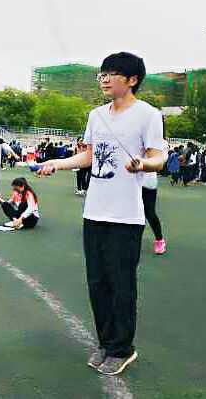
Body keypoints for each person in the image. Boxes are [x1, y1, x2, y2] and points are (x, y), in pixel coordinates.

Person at [37, 52, 165, 376]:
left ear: (132, 79)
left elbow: (159, 157)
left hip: (126, 216)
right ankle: (107, 343)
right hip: (95, 212)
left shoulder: (148, 115)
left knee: (121, 284)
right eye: (102, 74)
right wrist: (58, 163)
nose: (104, 79)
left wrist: (143, 163)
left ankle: (123, 348)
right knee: (97, 282)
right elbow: (89, 156)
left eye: (112, 73)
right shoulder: (96, 115)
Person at [142, 140, 169, 255]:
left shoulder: (161, 142)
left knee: (149, 213)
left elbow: (162, 160)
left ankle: (159, 239)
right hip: (131, 181)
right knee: (132, 213)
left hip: (148, 182)